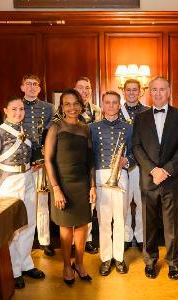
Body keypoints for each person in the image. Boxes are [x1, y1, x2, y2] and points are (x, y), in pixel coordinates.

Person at [0, 96, 45, 289]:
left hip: (28, 179)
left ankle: (25, 263)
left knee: (29, 223)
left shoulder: (27, 131)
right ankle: (14, 270)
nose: (18, 113)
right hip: (9, 184)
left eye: (21, 109)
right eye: (13, 109)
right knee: (13, 228)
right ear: (5, 110)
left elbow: (33, 155)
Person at [132, 76, 178, 280]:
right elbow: (136, 147)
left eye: (162, 89)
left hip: (172, 179)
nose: (157, 93)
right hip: (149, 179)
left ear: (169, 92)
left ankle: (173, 262)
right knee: (148, 223)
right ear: (150, 92)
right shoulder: (140, 117)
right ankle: (149, 261)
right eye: (154, 90)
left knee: (172, 224)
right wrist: (152, 170)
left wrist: (166, 170)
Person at [44, 89, 96, 285]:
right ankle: (67, 266)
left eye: (75, 103)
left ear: (81, 105)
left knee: (83, 224)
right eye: (67, 104)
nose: (72, 107)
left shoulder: (85, 128)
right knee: (66, 227)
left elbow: (90, 159)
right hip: (62, 183)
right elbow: (48, 160)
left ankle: (80, 263)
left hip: (82, 182)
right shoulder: (55, 128)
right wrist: (56, 188)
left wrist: (92, 185)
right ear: (62, 107)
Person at [90, 91, 134, 276]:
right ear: (103, 104)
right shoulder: (92, 127)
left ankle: (119, 257)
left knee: (120, 219)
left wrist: (127, 161)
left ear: (119, 105)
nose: (110, 106)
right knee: (104, 220)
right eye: (107, 102)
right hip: (101, 175)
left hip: (121, 175)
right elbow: (90, 157)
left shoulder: (128, 128)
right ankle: (106, 258)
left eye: (114, 102)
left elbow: (134, 153)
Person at [20, 74, 55, 257]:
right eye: (28, 84)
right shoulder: (16, 106)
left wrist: (42, 159)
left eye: (35, 84)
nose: (32, 87)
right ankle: (25, 241)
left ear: (40, 88)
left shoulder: (48, 108)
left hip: (41, 161)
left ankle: (45, 240)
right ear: (22, 87)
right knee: (24, 202)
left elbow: (51, 134)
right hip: (21, 162)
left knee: (42, 202)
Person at [119, 79, 150, 251]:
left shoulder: (147, 112)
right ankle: (125, 236)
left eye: (134, 90)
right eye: (128, 90)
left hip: (141, 164)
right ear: (124, 92)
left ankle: (140, 236)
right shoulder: (116, 109)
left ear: (140, 92)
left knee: (141, 202)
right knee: (123, 203)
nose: (131, 93)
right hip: (122, 164)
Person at [74, 76, 100, 254]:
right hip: (74, 161)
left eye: (87, 88)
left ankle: (87, 239)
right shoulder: (69, 109)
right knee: (75, 201)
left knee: (90, 202)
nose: (84, 91)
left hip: (92, 158)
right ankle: (73, 241)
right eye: (81, 88)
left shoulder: (97, 110)